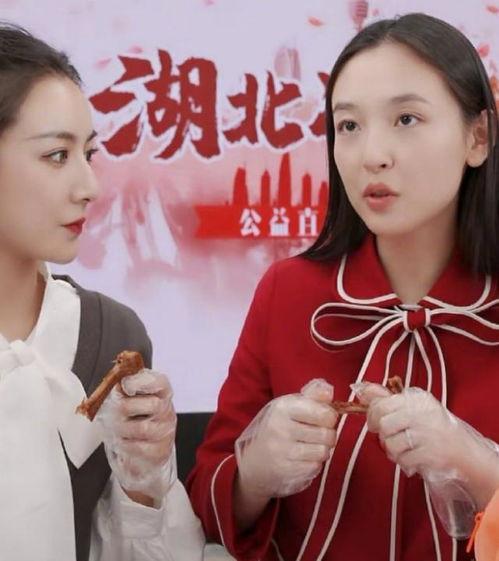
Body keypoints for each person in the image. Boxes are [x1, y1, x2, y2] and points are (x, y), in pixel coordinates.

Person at [186, 12, 499, 561]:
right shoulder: (287, 292)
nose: (372, 155)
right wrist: (254, 474)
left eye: (406, 118)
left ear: (478, 137)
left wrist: (468, 460)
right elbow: (205, 505)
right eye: (349, 126)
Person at [0, 23, 204, 561]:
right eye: (56, 155)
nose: (89, 187)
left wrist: (146, 481)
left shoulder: (111, 335)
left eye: (88, 154)